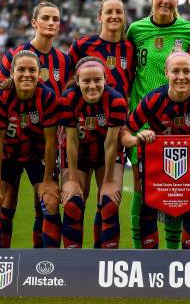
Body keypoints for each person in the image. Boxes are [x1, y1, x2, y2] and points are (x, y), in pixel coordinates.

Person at [126, 0, 190, 249]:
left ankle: (172, 255)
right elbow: (129, 71)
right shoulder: (136, 30)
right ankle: (141, 253)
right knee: (140, 187)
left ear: (178, 0)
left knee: (175, 188)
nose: (166, 0)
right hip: (143, 120)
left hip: (178, 124)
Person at [0, 2, 70, 248]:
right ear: (34, 22)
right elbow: (0, 98)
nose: (51, 23)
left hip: (44, 143)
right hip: (13, 141)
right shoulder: (14, 56)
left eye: (55, 19)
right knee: (6, 200)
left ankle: (42, 267)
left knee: (45, 202)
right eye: (45, 18)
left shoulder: (64, 61)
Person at [120, 52, 190, 249]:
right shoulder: (153, 100)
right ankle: (150, 261)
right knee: (149, 208)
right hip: (157, 164)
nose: (181, 76)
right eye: (175, 71)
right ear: (166, 73)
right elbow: (125, 133)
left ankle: (189, 264)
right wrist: (138, 138)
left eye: (186, 71)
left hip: (189, 164)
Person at [68, 0, 135, 246]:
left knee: (107, 201)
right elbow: (67, 82)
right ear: (100, 17)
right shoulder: (82, 45)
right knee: (74, 202)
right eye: (109, 12)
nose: (114, 16)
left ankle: (100, 262)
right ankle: (69, 265)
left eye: (119, 11)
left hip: (114, 129)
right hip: (83, 131)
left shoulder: (130, 48)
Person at [0, 50, 59, 248]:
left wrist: (49, 180)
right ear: (12, 73)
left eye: (32, 70)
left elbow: (51, 142)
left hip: (37, 155)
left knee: (50, 201)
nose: (27, 74)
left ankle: (46, 264)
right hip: (7, 154)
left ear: (39, 73)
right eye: (21, 69)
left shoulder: (48, 97)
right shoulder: (1, 96)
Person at [58, 57, 127, 248]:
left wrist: (109, 183)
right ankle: (75, 263)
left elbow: (111, 143)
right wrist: (71, 180)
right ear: (77, 80)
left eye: (97, 80)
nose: (92, 86)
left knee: (109, 202)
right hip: (77, 155)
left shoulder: (116, 100)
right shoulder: (68, 99)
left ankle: (104, 262)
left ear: (105, 79)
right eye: (86, 81)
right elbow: (71, 141)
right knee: (72, 203)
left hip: (107, 155)